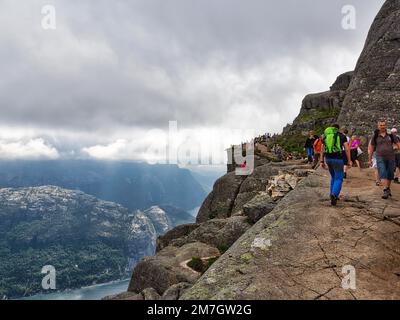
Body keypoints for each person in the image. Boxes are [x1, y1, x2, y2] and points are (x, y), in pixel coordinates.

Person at [320, 124, 352, 206]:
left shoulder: (325, 136)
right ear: (337, 129)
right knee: (339, 178)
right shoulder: (341, 136)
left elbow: (322, 149)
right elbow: (347, 149)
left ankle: (332, 193)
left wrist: (321, 161)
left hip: (328, 159)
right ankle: (334, 194)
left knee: (333, 177)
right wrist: (349, 160)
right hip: (338, 159)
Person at [368, 121, 400, 199]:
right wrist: (370, 159)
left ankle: (388, 188)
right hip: (380, 157)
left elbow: (398, 144)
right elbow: (371, 147)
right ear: (378, 126)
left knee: (390, 174)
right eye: (381, 125)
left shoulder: (391, 135)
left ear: (386, 126)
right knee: (382, 173)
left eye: (384, 125)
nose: (382, 126)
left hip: (391, 157)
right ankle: (385, 189)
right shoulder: (375, 136)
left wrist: (397, 148)